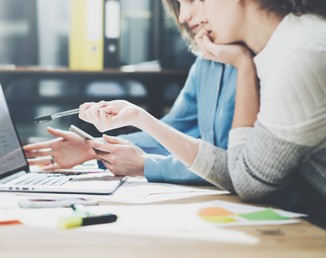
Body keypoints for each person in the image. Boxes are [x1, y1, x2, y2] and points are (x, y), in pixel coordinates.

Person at [79, 0, 326, 227]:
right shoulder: (286, 44)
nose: (184, 15)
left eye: (195, 0)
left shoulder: (300, 55)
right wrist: (136, 119)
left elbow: (248, 182)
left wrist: (243, 66)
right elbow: (242, 169)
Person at [24, 0, 237, 184]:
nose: (182, 16)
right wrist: (95, 148)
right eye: (179, 4)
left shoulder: (252, 63)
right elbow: (170, 132)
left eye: (191, 0)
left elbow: (233, 168)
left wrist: (147, 165)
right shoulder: (205, 62)